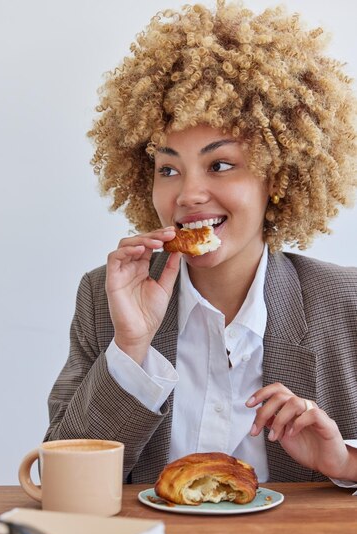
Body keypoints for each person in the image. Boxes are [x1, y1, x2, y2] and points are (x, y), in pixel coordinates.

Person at [45, 1, 357, 486]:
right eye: (168, 169)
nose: (188, 194)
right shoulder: (103, 300)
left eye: (221, 164)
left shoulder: (345, 304)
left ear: (277, 176)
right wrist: (131, 350)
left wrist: (345, 462)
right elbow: (59, 480)